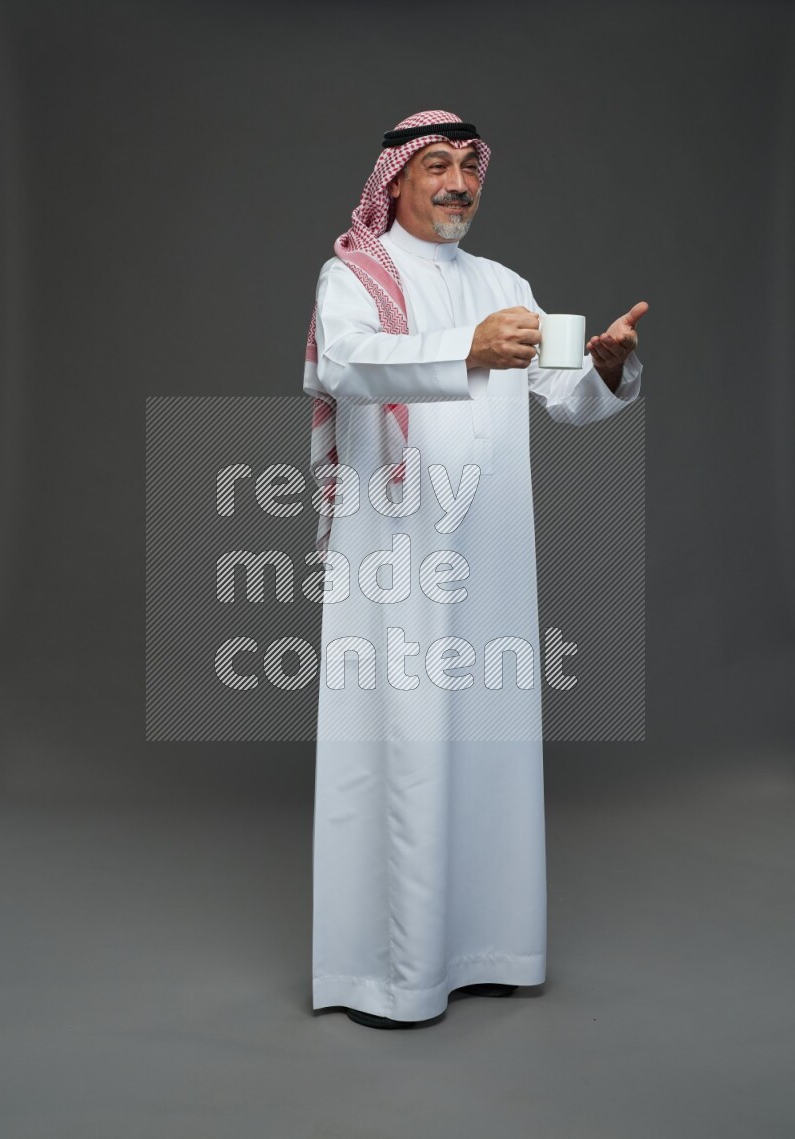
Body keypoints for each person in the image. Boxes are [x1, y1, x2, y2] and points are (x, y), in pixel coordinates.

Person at [303, 110, 648, 1030]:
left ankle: (489, 949)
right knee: (406, 739)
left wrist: (608, 368)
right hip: (398, 550)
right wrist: (464, 349)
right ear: (399, 180)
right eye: (438, 166)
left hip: (490, 550)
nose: (458, 182)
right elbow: (344, 363)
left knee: (487, 744)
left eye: (469, 167)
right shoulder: (357, 275)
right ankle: (393, 973)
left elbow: (562, 399)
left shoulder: (502, 283)